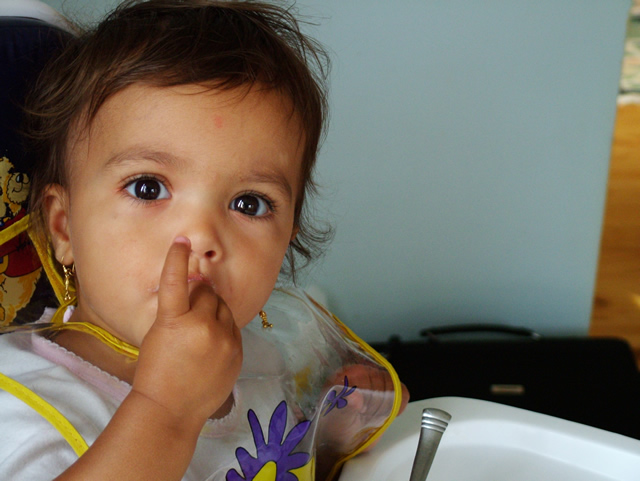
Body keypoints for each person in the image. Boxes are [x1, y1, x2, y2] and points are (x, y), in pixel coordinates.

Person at [0, 1, 409, 480]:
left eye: (249, 203)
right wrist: (166, 411)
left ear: (286, 242)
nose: (200, 236)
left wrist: (338, 420)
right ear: (64, 228)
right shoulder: (19, 400)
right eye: (148, 187)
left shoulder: (267, 362)